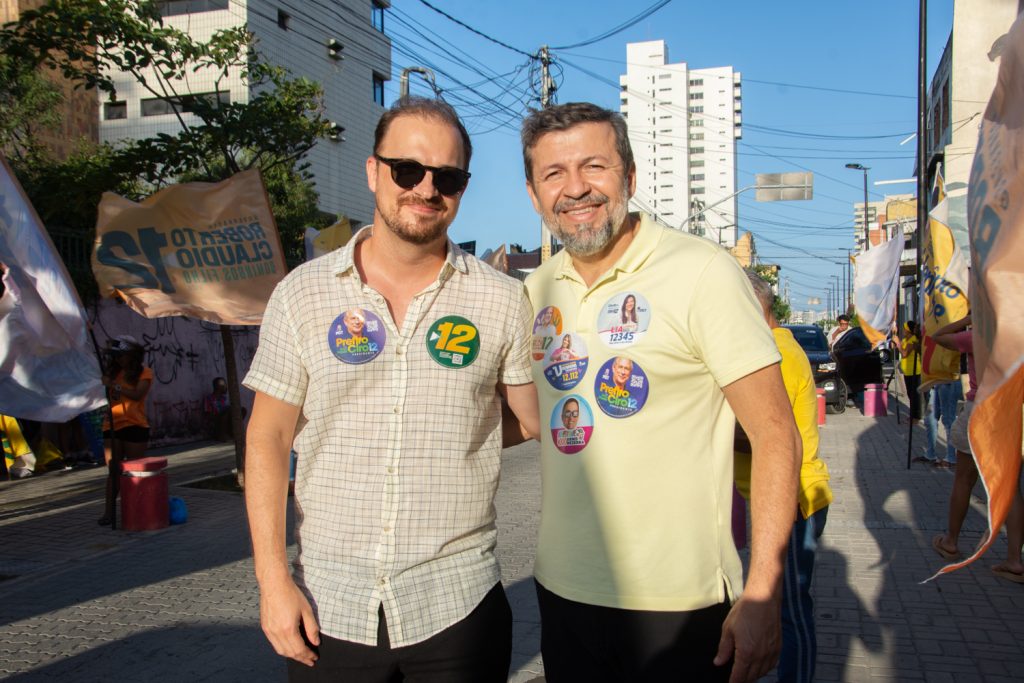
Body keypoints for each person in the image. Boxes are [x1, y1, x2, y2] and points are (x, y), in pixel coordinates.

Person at [243, 96, 540, 682]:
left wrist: (458, 431)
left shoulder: (502, 299)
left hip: (459, 606)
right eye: (408, 169)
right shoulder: (303, 295)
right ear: (374, 170)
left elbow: (528, 419)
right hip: (330, 608)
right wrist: (273, 582)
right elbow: (269, 437)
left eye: (447, 178)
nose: (426, 189)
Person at [519, 102, 801, 683]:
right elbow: (526, 416)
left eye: (594, 166)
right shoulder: (536, 288)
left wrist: (764, 591)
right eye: (554, 174)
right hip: (561, 592)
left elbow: (777, 437)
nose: (575, 189)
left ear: (630, 177)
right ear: (533, 193)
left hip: (679, 604)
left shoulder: (702, 271)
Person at [736, 271, 832, 683]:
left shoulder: (776, 354)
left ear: (756, 304)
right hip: (783, 495)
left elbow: (771, 437)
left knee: (791, 612)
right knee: (785, 607)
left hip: (792, 497)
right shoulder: (772, 347)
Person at [929, 314, 1024, 581]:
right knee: (1011, 487)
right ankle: (1015, 559)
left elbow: (937, 337)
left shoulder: (978, 337)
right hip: (1011, 412)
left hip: (980, 411)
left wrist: (970, 318)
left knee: (964, 480)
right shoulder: (1017, 338)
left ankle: (951, 541)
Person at [99, 334, 152, 525]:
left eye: (122, 355)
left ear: (132, 355)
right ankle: (109, 512)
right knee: (113, 470)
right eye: (116, 356)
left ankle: (137, 510)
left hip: (135, 425)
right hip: (112, 425)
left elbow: (138, 395)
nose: (119, 359)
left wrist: (114, 386)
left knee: (134, 470)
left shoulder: (144, 373)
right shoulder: (111, 373)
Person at [919, 379, 962, 468]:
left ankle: (951, 458)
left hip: (948, 381)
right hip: (936, 382)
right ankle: (930, 454)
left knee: (948, 420)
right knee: (930, 419)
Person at [899, 321, 923, 424]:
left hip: (914, 371)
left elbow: (904, 354)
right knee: (910, 394)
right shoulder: (905, 340)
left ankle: (916, 417)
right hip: (907, 371)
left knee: (914, 395)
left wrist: (898, 345)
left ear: (908, 330)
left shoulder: (913, 340)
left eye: (904, 328)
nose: (903, 330)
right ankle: (913, 415)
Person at [204, 377, 231, 441]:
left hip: (225, 419)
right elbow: (208, 415)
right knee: (225, 414)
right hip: (215, 421)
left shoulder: (224, 398)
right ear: (219, 387)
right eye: (224, 386)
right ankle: (221, 436)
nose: (226, 387)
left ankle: (232, 434)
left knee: (241, 410)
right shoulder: (209, 398)